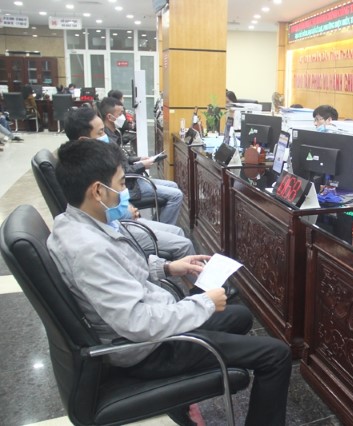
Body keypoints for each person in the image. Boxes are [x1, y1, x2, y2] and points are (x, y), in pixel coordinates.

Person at [48, 139, 292, 425]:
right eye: (121, 184)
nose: (125, 192)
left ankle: (182, 399)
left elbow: (122, 270)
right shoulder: (89, 249)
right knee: (277, 355)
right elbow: (138, 323)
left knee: (239, 315)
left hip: (152, 324)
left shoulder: (75, 223)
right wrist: (204, 302)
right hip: (150, 349)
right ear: (98, 191)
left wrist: (167, 267)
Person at [64, 106, 195, 262]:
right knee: (184, 243)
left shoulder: (91, 159)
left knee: (178, 232)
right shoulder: (89, 170)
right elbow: (100, 210)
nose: (105, 136)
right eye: (100, 132)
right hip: (118, 226)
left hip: (118, 221)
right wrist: (126, 211)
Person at [99, 97, 183, 225]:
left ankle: (159, 224)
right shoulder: (108, 141)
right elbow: (123, 172)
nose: (124, 117)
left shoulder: (115, 134)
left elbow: (122, 160)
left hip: (133, 179)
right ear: (110, 117)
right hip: (129, 184)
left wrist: (138, 159)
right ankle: (162, 229)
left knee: (173, 186)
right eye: (120, 114)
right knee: (176, 195)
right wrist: (142, 165)